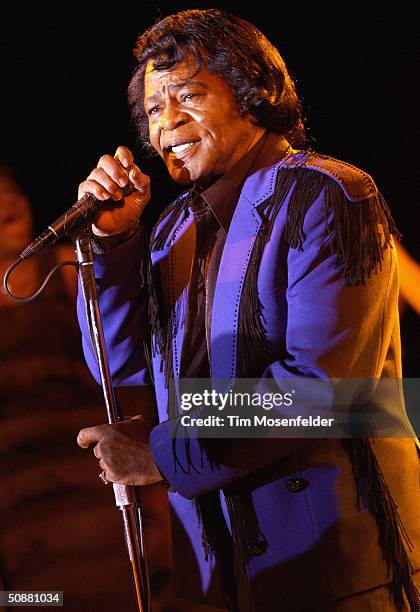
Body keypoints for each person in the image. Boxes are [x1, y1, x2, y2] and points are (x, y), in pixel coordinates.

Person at [75, 9, 420, 612]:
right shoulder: (171, 230)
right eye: (154, 109)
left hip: (332, 572)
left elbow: (315, 393)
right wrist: (113, 244)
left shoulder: (328, 194)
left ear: (253, 92)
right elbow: (122, 364)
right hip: (219, 572)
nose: (167, 123)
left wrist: (162, 450)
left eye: (189, 95)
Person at [0, 165, 174, 611]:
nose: (7, 203)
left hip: (97, 475)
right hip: (19, 503)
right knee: (38, 601)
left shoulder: (66, 269)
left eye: (12, 189)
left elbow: (129, 356)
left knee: (133, 586)